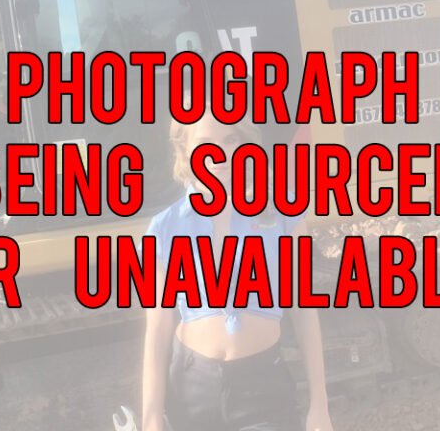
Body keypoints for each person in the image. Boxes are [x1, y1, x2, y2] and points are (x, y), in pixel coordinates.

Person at [141, 111, 335, 431]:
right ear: (185, 149)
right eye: (205, 142)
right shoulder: (165, 227)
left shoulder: (283, 212)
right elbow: (157, 332)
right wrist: (150, 421)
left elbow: (303, 308)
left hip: (262, 388)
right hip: (191, 392)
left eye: (230, 139)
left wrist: (320, 404)